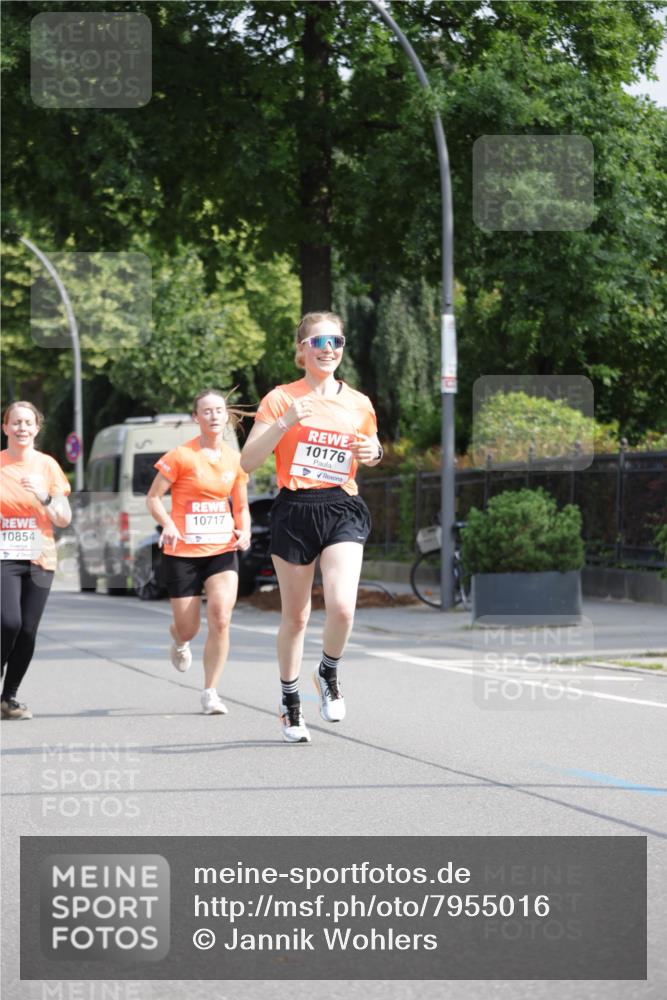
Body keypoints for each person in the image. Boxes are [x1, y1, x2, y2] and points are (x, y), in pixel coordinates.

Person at [241, 312, 382, 743]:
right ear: (301, 349)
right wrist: (285, 422)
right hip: (296, 509)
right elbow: (248, 461)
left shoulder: (358, 402)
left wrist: (374, 452)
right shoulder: (281, 398)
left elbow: (372, 448)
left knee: (342, 608)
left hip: (341, 504)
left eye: (336, 341)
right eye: (319, 342)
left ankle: (328, 672)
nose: (328, 349)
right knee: (297, 616)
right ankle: (290, 701)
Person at [146, 389, 251, 715]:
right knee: (189, 627)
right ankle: (179, 638)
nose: (214, 415)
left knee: (220, 617)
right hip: (182, 552)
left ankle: (210, 692)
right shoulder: (181, 455)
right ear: (196, 417)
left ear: (226, 415)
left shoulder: (235, 459)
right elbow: (153, 498)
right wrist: (168, 524)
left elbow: (241, 506)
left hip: (221, 549)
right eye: (206, 411)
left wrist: (244, 530)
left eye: (219, 410)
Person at [1, 401, 72, 719]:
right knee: (8, 622)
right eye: (16, 422)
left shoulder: (47, 466)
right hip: (3, 556)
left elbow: (64, 519)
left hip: (40, 557)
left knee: (28, 630)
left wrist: (44, 495)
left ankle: (9, 698)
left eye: (28, 423)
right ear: (5, 427)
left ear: (37, 428)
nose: (22, 428)